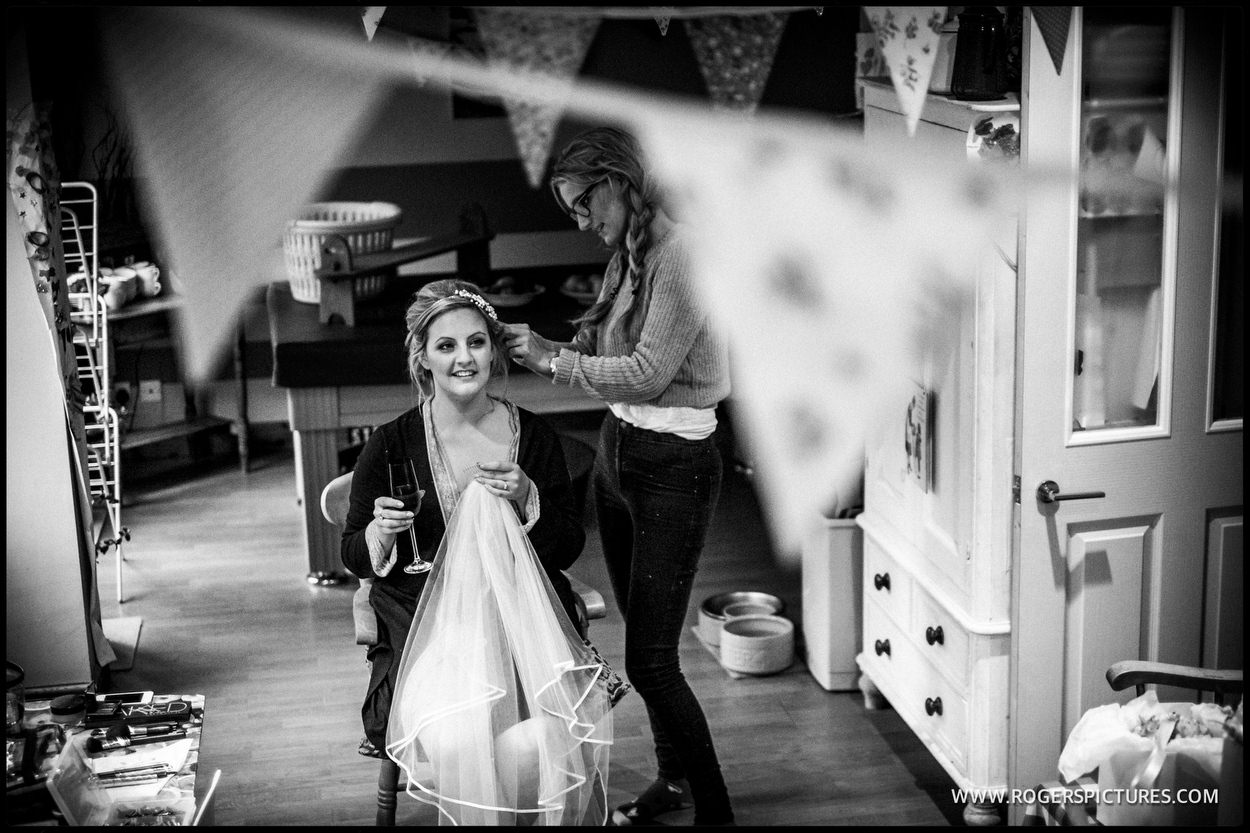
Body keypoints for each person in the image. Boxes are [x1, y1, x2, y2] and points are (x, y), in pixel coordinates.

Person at [504, 126, 734, 826]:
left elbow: (648, 372)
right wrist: (539, 343)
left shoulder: (682, 254)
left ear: (619, 181)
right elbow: (608, 347)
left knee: (652, 661)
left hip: (675, 468)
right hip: (621, 453)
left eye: (584, 204)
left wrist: (551, 361)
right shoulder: (630, 255)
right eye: (572, 212)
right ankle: (673, 781)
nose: (582, 222)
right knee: (644, 642)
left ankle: (717, 811)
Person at [340, 278, 614, 824]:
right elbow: (353, 552)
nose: (464, 358)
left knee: (530, 744)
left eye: (476, 342)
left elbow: (566, 546)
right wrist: (381, 533)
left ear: (493, 348)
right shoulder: (391, 444)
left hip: (522, 634)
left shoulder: (532, 437)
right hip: (431, 635)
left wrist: (529, 496)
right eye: (446, 346)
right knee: (461, 737)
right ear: (423, 360)